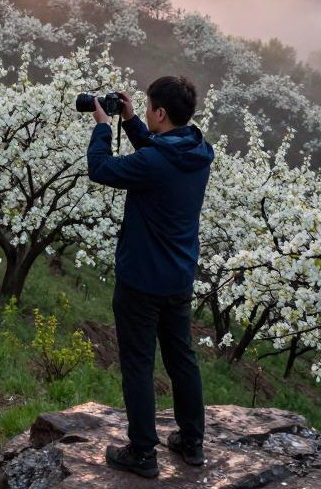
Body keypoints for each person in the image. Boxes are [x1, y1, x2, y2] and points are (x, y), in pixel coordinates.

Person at [86, 76, 214, 478]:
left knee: (139, 365)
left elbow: (101, 169)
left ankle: (143, 453)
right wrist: (131, 125)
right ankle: (192, 442)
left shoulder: (156, 161)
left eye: (146, 108)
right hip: (178, 278)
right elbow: (160, 158)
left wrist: (104, 126)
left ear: (160, 112)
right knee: (182, 360)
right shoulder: (199, 149)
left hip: (141, 280)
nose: (143, 111)